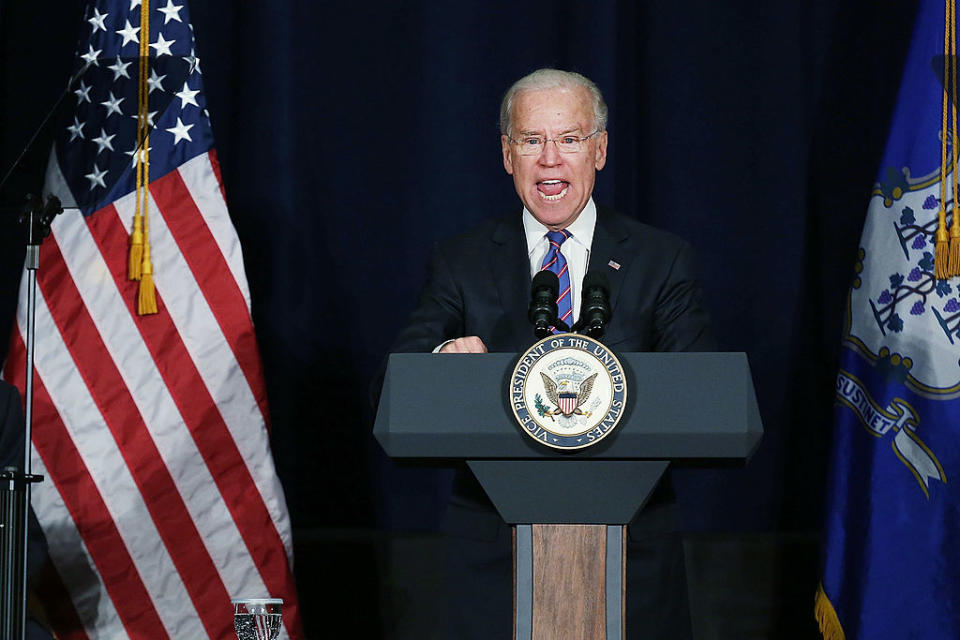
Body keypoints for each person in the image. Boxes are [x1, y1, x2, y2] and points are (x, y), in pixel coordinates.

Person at [389, 68, 714, 638]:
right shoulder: (461, 261)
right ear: (508, 155)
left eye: (569, 139)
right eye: (532, 140)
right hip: (496, 557)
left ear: (601, 150)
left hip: (631, 556)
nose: (550, 159)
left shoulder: (661, 259)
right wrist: (444, 360)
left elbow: (700, 396)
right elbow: (394, 390)